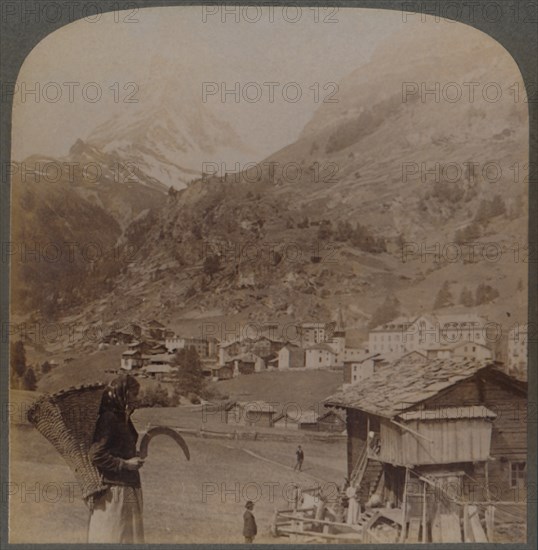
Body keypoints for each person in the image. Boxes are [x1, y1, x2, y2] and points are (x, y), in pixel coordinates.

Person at [87, 374, 145, 543]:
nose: (137, 398)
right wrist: (125, 464)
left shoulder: (123, 419)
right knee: (114, 536)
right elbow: (96, 454)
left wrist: (134, 456)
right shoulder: (109, 418)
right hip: (114, 493)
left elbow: (119, 448)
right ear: (123, 393)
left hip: (128, 489)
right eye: (134, 394)